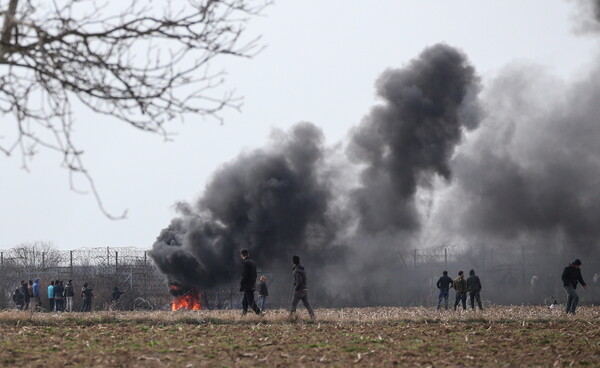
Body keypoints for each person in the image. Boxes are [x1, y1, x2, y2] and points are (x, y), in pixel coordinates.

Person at [239, 249, 261, 315]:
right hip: (252, 284)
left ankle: (260, 314)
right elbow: (255, 274)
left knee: (251, 302)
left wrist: (242, 284)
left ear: (241, 255)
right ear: (248, 254)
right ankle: (244, 314)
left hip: (247, 286)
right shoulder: (252, 262)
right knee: (244, 302)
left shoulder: (245, 263)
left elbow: (244, 275)